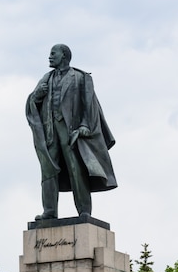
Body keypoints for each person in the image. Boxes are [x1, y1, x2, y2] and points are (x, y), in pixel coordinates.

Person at [26, 44, 117, 220]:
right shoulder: (46, 78)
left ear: (64, 56)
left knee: (77, 171)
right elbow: (32, 102)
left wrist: (84, 125)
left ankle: (84, 211)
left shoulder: (81, 78)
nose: (50, 57)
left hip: (71, 133)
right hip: (50, 133)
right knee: (48, 171)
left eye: (53, 54)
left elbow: (89, 105)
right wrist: (37, 95)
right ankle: (50, 211)